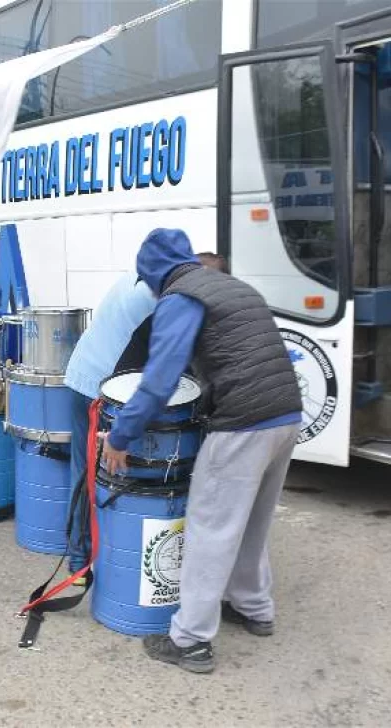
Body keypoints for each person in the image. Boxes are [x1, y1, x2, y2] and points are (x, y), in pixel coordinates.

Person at [101, 228, 302, 674]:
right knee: (251, 521)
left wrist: (120, 436)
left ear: (154, 271)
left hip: (243, 423)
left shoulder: (180, 296)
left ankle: (189, 641)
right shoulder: (233, 285)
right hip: (286, 414)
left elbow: (161, 377)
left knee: (210, 527)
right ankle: (255, 608)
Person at [63, 270, 157, 579]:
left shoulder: (132, 277)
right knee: (97, 476)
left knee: (82, 470)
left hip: (80, 374)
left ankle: (82, 557)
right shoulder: (159, 297)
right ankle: (82, 561)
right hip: (101, 389)